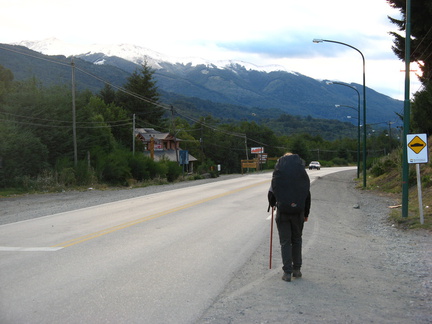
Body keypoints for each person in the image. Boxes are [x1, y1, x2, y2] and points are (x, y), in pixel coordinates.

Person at [268, 153, 311, 282]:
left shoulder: (278, 175)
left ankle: (287, 272)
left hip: (283, 213)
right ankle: (297, 270)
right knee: (297, 240)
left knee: (285, 242)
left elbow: (271, 194)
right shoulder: (301, 175)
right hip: (298, 212)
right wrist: (306, 214)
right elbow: (307, 196)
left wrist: (273, 204)